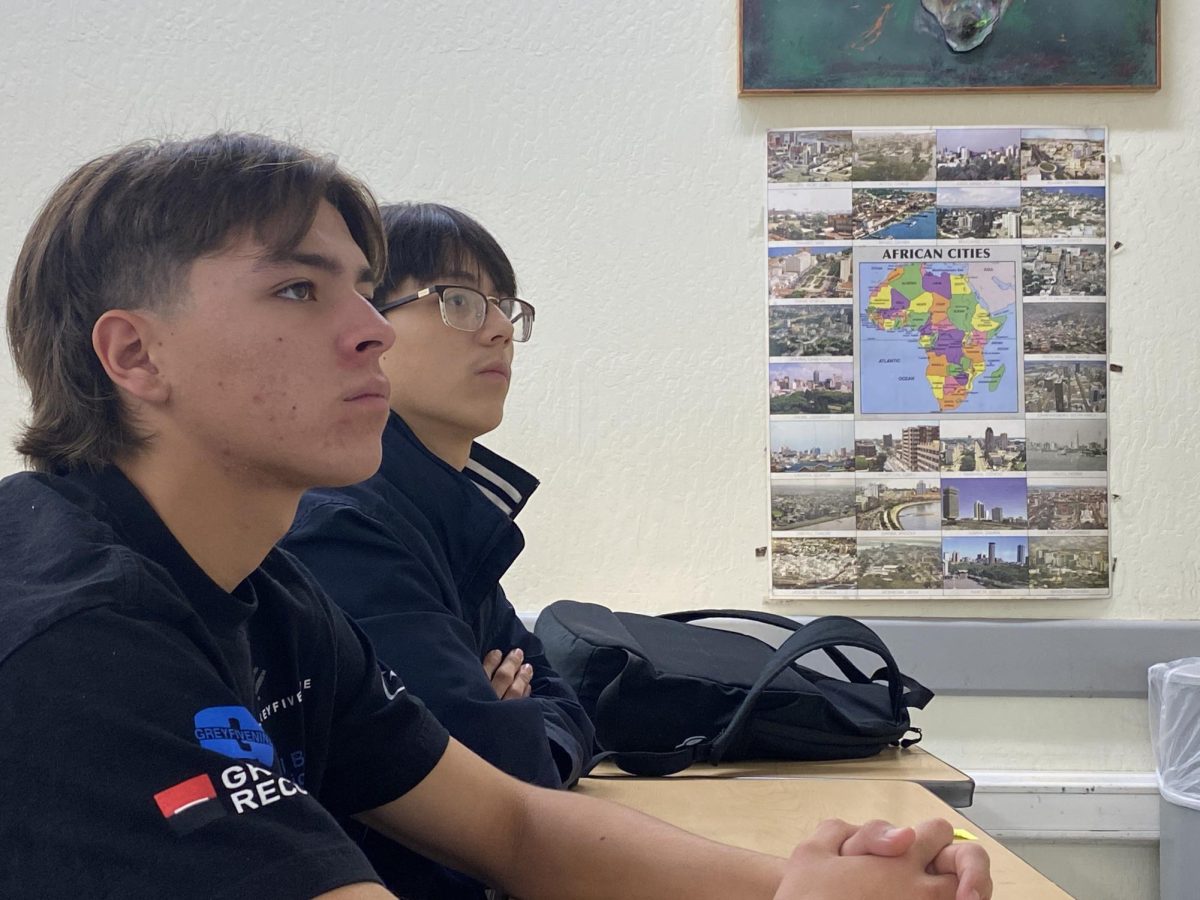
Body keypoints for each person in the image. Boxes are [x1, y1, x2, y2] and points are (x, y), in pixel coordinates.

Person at [0, 131, 992, 900]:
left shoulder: (268, 595)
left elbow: (516, 825)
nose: (369, 333)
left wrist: (809, 883)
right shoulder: (76, 633)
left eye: (360, 289)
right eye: (299, 288)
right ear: (133, 357)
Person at [282, 202, 594, 898]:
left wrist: (515, 723)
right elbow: (503, 783)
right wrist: (509, 730)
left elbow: (560, 709)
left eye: (502, 306)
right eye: (456, 300)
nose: (496, 331)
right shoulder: (342, 525)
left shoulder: (448, 518)